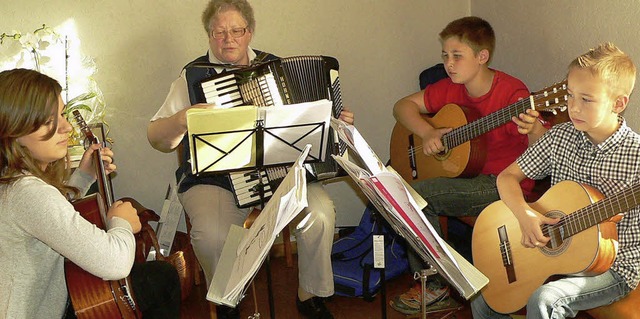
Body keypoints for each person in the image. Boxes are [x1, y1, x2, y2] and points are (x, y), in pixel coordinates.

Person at [146, 1, 353, 318]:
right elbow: (156, 136)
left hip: (279, 173)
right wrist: (182, 119)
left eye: (236, 30)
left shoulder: (278, 69)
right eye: (219, 32)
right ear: (209, 35)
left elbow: (308, 126)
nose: (227, 39)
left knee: (321, 213)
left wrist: (335, 122)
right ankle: (228, 300)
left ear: (250, 33)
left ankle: (309, 295)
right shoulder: (193, 77)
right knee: (212, 235)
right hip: (215, 180)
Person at [389, 16, 548, 315]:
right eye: (445, 56)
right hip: (466, 176)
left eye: (457, 56)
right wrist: (428, 132)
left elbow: (544, 151)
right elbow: (402, 106)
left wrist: (535, 130)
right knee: (407, 192)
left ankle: (435, 287)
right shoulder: (451, 87)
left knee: (416, 196)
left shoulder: (512, 94)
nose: (449, 64)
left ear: (482, 56)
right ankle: (439, 279)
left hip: (502, 183)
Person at [471, 42, 640, 318]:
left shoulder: (636, 155)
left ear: (618, 104)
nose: (573, 107)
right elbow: (508, 177)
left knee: (545, 300)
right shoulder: (560, 136)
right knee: (487, 294)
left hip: (613, 268)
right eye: (570, 96)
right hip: (558, 253)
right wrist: (525, 215)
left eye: (586, 99)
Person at [0, 68, 181, 319]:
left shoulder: (12, 183)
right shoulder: (28, 193)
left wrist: (84, 177)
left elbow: (51, 220)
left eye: (62, 114)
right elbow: (115, 263)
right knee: (162, 278)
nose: (66, 128)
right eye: (49, 121)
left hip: (50, 301)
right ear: (16, 132)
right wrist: (122, 224)